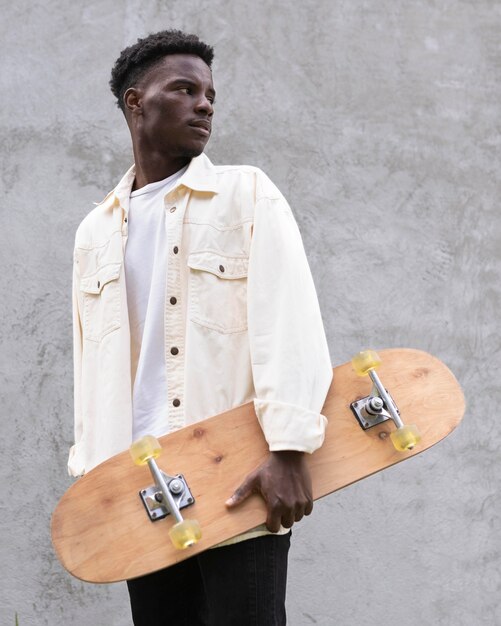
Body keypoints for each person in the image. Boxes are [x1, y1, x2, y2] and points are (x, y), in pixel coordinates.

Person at [68, 29, 332, 626]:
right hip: (142, 490)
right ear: (137, 103)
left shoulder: (246, 194)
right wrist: (95, 485)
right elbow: (92, 367)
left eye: (210, 93)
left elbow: (290, 320)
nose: (205, 104)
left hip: (237, 475)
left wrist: (288, 449)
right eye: (184, 89)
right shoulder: (95, 232)